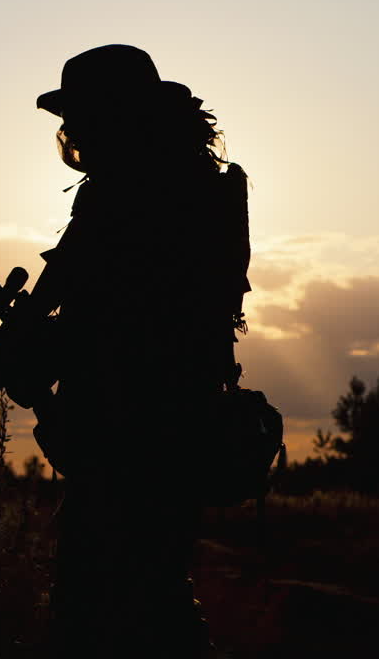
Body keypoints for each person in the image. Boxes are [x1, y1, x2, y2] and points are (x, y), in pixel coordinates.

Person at [19, 44, 251, 657]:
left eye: (89, 117)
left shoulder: (138, 200)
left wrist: (42, 354)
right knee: (148, 593)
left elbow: (133, 322)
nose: (78, 135)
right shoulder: (169, 188)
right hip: (158, 429)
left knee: (118, 603)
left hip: (140, 433)